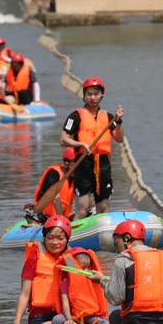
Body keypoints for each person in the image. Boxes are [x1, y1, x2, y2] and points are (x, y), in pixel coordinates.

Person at [90, 219, 163, 324]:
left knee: (114, 316)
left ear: (127, 238)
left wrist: (102, 280)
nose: (117, 250)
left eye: (116, 244)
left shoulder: (122, 259)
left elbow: (115, 299)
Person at [60, 77, 124, 221]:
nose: (93, 97)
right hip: (84, 164)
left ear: (102, 95)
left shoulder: (108, 117)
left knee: (103, 208)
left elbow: (119, 138)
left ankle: (101, 239)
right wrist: (80, 145)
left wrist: (119, 122)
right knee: (82, 210)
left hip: (103, 165)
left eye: (96, 94)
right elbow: (63, 139)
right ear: (84, 95)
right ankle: (73, 239)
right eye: (89, 94)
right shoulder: (75, 116)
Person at [1, 215, 72, 324]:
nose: (55, 242)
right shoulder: (34, 259)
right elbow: (24, 294)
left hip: (68, 316)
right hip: (41, 319)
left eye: (60, 238)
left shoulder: (72, 260)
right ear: (44, 239)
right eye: (50, 238)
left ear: (67, 239)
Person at [52, 248, 110, 324]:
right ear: (73, 267)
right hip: (73, 316)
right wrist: (69, 318)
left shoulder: (93, 281)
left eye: (88, 267)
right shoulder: (66, 282)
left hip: (90, 316)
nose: (87, 271)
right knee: (56, 319)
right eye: (83, 267)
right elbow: (65, 302)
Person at [30, 147, 76, 221]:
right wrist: (62, 220)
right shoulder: (54, 174)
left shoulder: (75, 178)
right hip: (47, 217)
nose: (77, 167)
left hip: (65, 216)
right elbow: (55, 197)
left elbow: (84, 196)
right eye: (75, 163)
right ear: (66, 163)